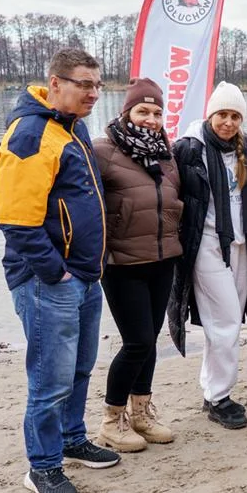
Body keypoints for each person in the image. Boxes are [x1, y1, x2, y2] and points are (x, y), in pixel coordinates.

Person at [0, 48, 118, 493]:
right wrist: (55, 274)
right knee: (50, 378)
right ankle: (43, 466)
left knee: (80, 367)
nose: (93, 93)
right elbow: (15, 221)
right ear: (55, 82)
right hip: (49, 281)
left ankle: (72, 438)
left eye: (97, 85)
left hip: (85, 275)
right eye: (84, 84)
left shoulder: (72, 127)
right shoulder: (30, 135)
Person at [93, 78, 181, 453]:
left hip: (162, 260)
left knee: (150, 342)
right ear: (125, 112)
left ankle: (142, 413)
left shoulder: (167, 154)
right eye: (143, 111)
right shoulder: (102, 150)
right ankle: (112, 421)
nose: (150, 119)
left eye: (157, 112)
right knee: (137, 341)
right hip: (122, 263)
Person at [168, 81, 247, 430]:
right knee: (223, 322)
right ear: (210, 114)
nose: (228, 122)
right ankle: (219, 397)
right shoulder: (189, 149)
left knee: (229, 320)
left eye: (235, 115)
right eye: (222, 114)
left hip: (241, 243)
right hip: (207, 242)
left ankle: (211, 389)